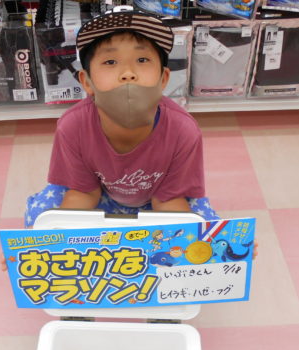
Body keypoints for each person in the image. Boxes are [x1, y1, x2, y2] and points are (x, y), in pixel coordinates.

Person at [24, 7, 221, 227]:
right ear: (87, 81)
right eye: (110, 62)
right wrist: (54, 241)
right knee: (40, 216)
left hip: (160, 201)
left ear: (164, 78)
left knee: (208, 227)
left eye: (142, 59)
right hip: (101, 197)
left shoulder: (183, 131)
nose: (128, 73)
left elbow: (168, 200)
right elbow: (84, 192)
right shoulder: (72, 126)